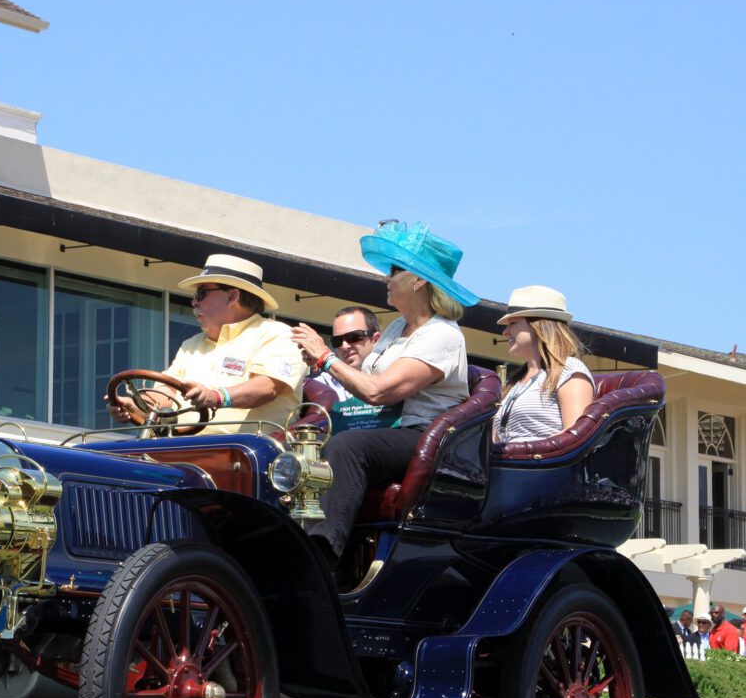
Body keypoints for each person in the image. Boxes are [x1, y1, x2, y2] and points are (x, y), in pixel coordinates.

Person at [291, 221, 476, 563]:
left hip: (425, 437)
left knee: (347, 447)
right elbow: (362, 381)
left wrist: (326, 356)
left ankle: (320, 558)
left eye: (394, 270)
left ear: (419, 279)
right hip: (385, 430)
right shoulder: (394, 328)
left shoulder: (443, 335)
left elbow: (378, 392)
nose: (385, 278)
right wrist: (320, 363)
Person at [108, 254, 304, 435]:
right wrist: (138, 406)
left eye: (201, 294)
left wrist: (215, 397)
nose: (193, 302)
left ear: (233, 297)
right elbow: (167, 394)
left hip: (248, 457)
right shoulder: (191, 344)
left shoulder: (277, 334)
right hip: (184, 450)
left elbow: (266, 387)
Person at [492, 286, 594, 443]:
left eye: (512, 323)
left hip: (541, 467)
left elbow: (576, 438)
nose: (504, 332)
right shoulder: (514, 383)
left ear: (539, 326)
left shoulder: (569, 371)